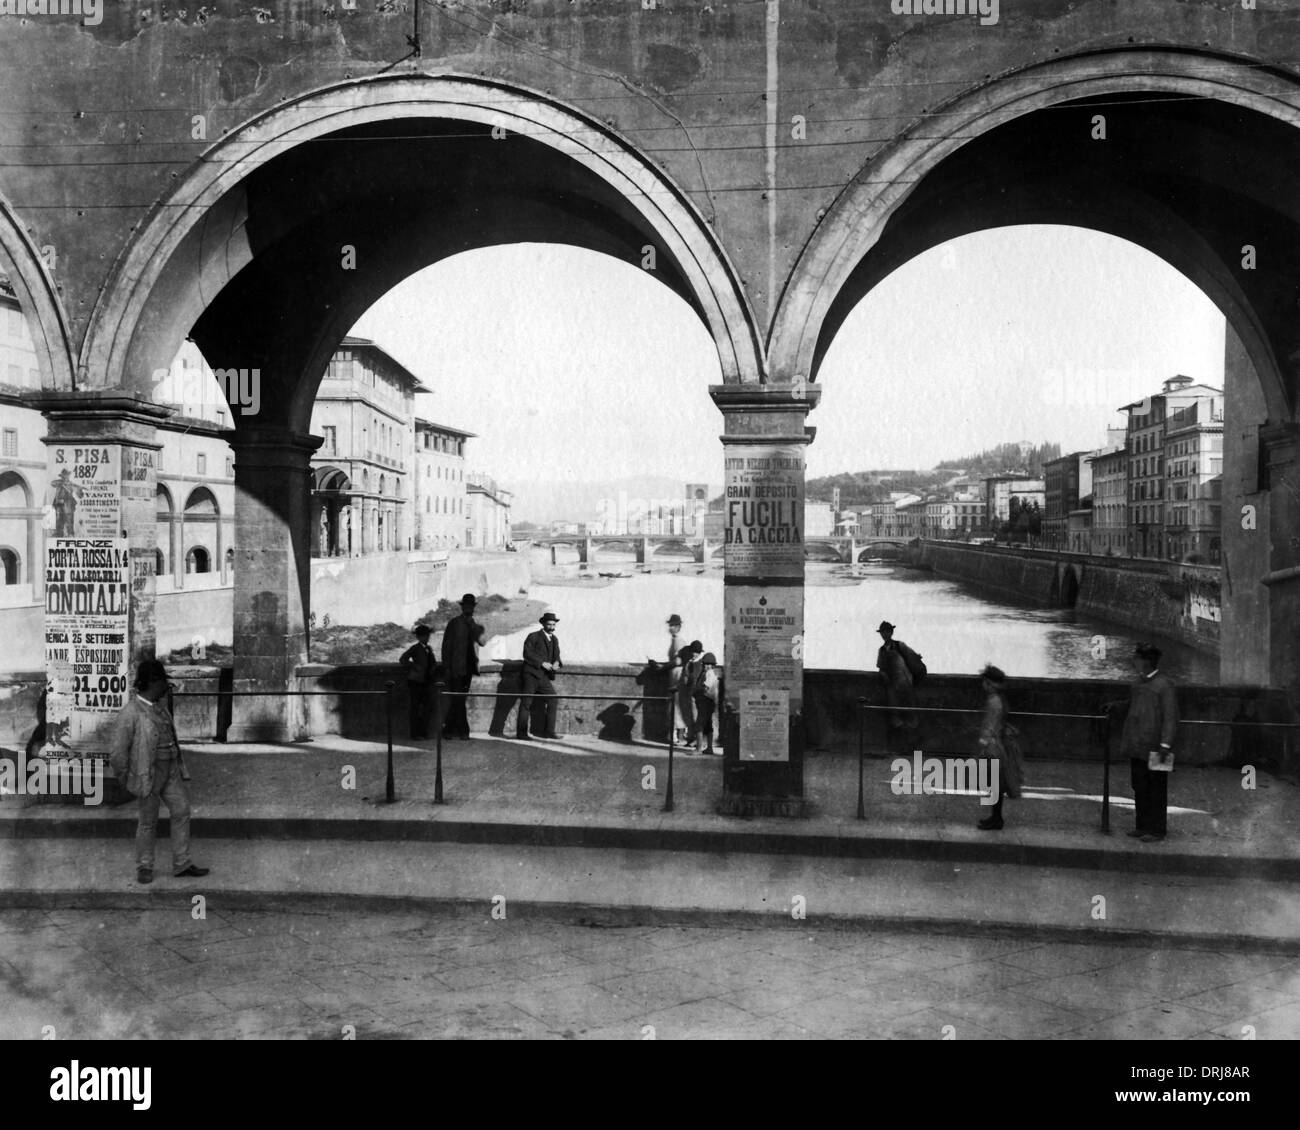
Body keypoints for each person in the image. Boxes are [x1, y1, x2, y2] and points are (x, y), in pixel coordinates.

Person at [109, 659, 209, 885]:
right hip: (148, 773)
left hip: (170, 769)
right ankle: (144, 866)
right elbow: (117, 753)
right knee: (147, 820)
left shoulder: (159, 707)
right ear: (152, 682)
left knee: (181, 810)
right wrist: (126, 777)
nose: (166, 687)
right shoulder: (130, 713)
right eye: (163, 681)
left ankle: (182, 863)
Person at [1121, 643, 1179, 843]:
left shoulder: (1164, 685)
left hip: (1157, 748)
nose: (1133, 662)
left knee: (1156, 788)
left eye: (1136, 659)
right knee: (1139, 786)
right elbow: (1132, 706)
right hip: (1138, 745)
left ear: (1146, 662)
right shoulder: (1137, 683)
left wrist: (1165, 744)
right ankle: (1142, 825)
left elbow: (1171, 717)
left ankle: (1157, 830)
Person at [974, 664, 1024, 831]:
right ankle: (995, 818)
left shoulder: (993, 701)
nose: (982, 685)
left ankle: (996, 819)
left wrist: (982, 747)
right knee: (996, 784)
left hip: (993, 748)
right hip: (998, 747)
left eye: (984, 682)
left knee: (994, 784)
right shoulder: (999, 699)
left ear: (989, 683)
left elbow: (990, 727)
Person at [440, 593, 486, 740]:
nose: (468, 608)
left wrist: (474, 627)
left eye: (471, 606)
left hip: (469, 669)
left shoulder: (477, 624)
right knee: (458, 699)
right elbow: (446, 647)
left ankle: (449, 730)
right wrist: (447, 667)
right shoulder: (454, 623)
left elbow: (483, 642)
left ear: (473, 608)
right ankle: (463, 731)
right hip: (456, 668)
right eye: (466, 606)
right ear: (462, 607)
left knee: (458, 699)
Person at [517, 611, 562, 740]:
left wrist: (557, 663)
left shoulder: (554, 639)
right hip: (531, 675)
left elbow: (557, 656)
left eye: (553, 625)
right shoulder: (533, 636)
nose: (552, 627)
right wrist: (542, 663)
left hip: (543, 677)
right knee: (526, 703)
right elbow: (527, 654)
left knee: (553, 700)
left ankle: (549, 732)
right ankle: (521, 734)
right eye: (549, 624)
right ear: (543, 624)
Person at [875, 621, 921, 734]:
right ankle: (901, 748)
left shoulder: (900, 645)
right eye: (882, 632)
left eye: (887, 631)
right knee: (895, 716)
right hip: (892, 686)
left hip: (906, 684)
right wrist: (883, 674)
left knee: (911, 716)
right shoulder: (881, 650)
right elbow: (880, 667)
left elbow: (914, 657)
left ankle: (916, 752)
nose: (884, 634)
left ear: (891, 632)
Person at [399, 623, 436, 739]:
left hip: (426, 681)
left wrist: (432, 668)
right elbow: (403, 659)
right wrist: (414, 667)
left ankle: (423, 733)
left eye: (427, 635)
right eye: (424, 636)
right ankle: (415, 734)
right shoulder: (415, 648)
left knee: (426, 708)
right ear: (419, 637)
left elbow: (432, 662)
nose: (426, 638)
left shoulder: (428, 649)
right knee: (415, 708)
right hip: (415, 681)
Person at [692, 652, 720, 755]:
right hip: (709, 702)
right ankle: (709, 748)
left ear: (712, 665)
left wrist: (695, 690)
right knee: (708, 725)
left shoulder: (709, 673)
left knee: (699, 724)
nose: (706, 666)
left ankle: (698, 748)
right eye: (705, 664)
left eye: (709, 664)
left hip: (705, 701)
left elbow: (705, 687)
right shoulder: (709, 673)